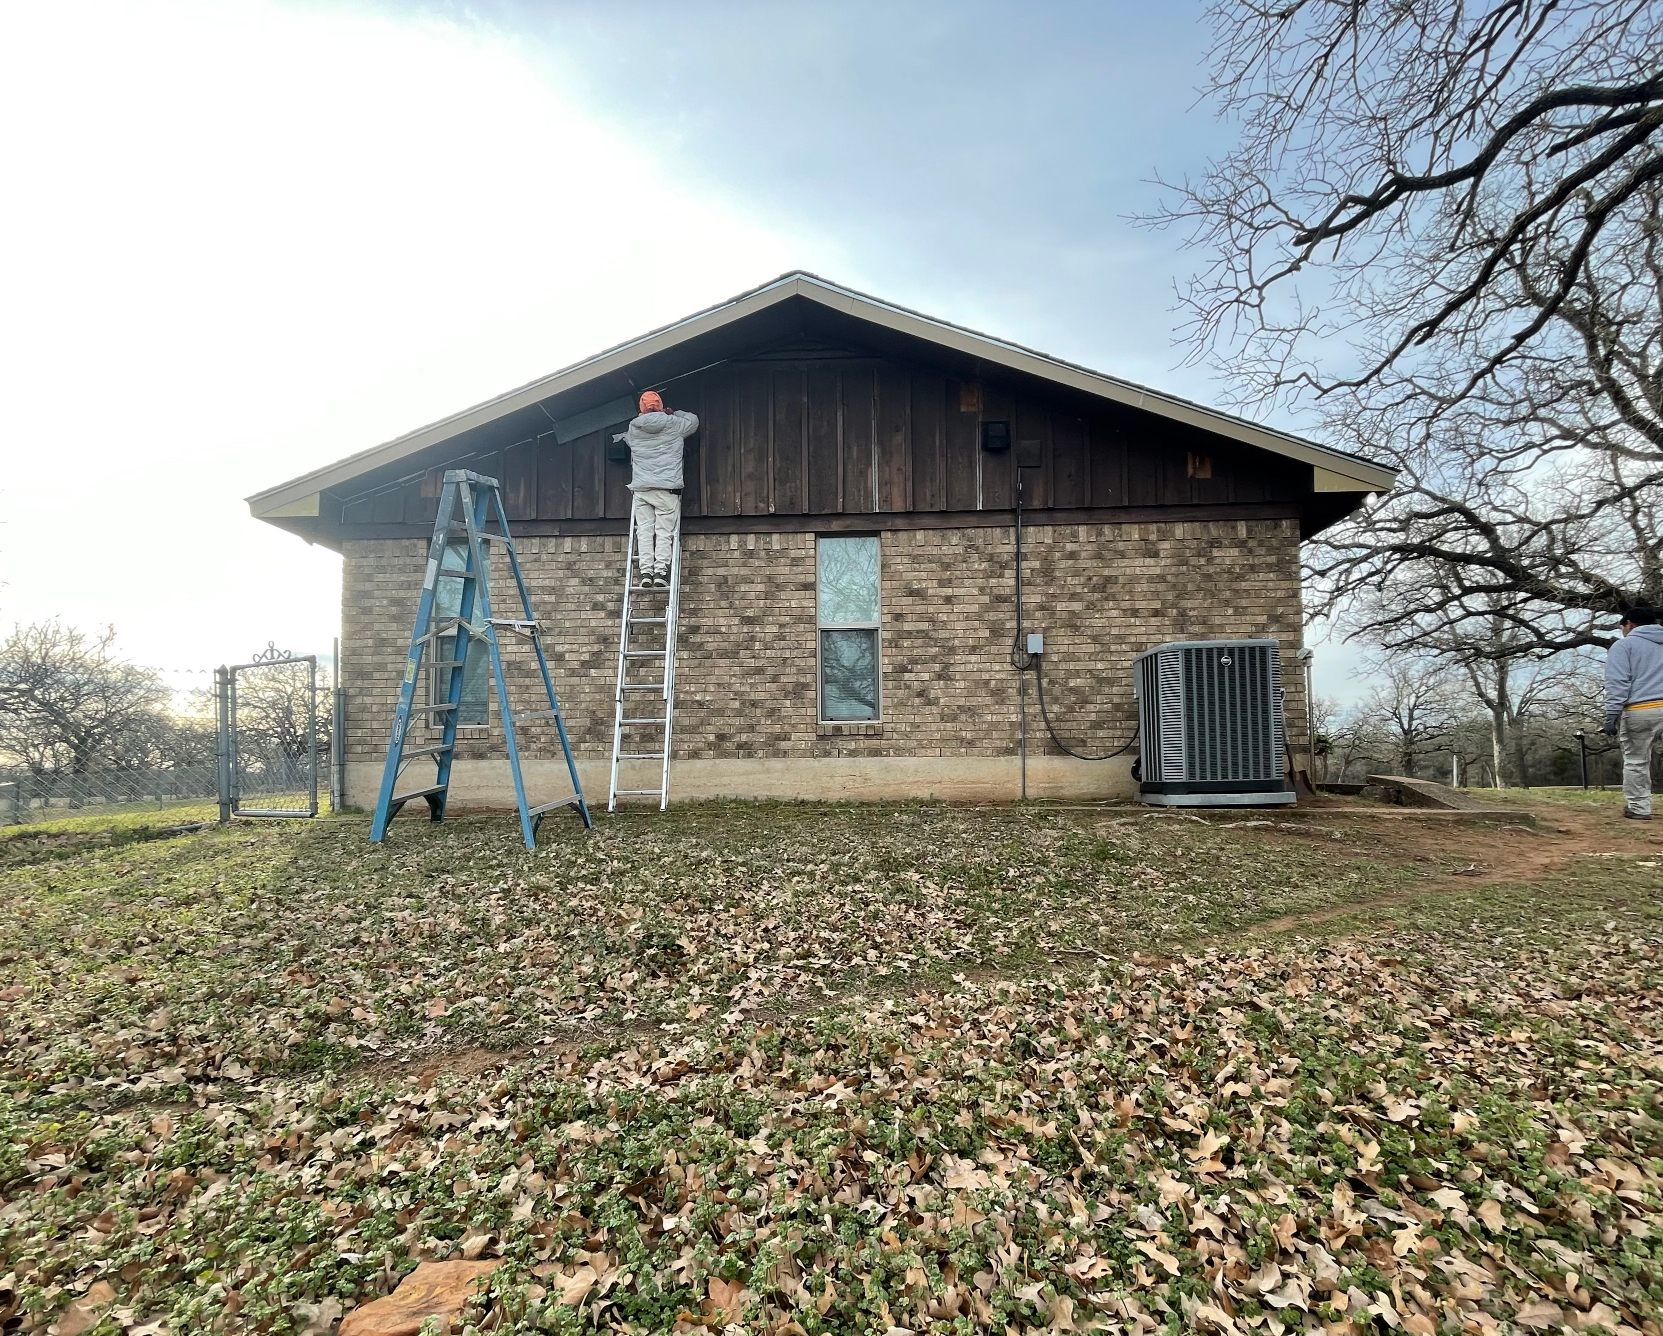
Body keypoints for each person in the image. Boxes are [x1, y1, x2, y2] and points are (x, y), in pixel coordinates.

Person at [616, 390, 698, 588]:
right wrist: (674, 413)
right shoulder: (674, 424)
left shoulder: (634, 428)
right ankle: (661, 572)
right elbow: (694, 421)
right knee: (664, 531)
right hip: (666, 487)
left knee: (643, 530)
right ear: (661, 405)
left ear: (641, 408)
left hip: (642, 488)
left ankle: (646, 571)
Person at [1602, 605, 1663, 821]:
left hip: (1642, 709)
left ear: (1630, 624)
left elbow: (1618, 682)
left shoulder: (1624, 646)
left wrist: (1612, 714)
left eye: (1623, 627)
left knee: (1637, 760)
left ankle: (1639, 808)